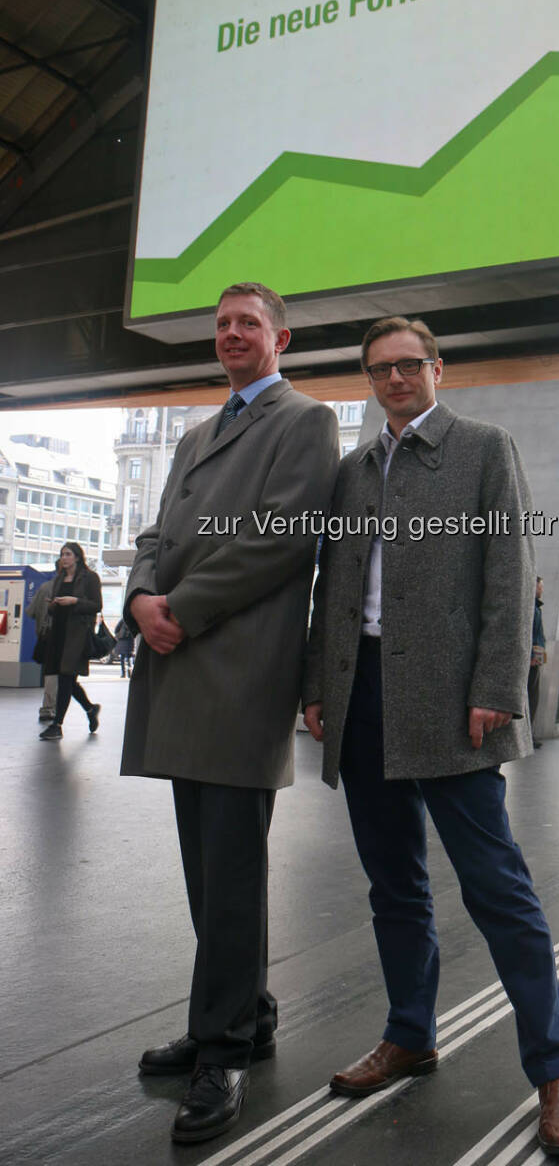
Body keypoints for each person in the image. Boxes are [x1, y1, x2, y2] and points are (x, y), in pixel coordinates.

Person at [302, 316, 559, 1159]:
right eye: (379, 370)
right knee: (393, 888)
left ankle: (557, 1070)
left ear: (438, 369)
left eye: (409, 365)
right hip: (362, 698)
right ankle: (409, 1034)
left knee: (498, 890)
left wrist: (499, 688)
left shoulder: (483, 448)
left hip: (451, 701)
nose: (395, 379)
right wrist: (319, 686)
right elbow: (334, 587)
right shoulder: (353, 471)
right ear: (368, 380)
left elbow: (511, 574)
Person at [121, 282, 339, 1146]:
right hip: (183, 662)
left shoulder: (305, 422)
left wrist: (182, 607)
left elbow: (285, 536)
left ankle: (222, 1054)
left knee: (232, 870)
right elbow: (154, 533)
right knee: (207, 870)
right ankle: (244, 1009)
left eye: (249, 323)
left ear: (280, 337)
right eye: (222, 325)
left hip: (237, 669)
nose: (232, 334)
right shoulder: (197, 434)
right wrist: (141, 595)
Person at [38, 543, 102, 740]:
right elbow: (51, 610)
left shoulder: (89, 577)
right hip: (58, 633)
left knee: (66, 678)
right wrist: (54, 605)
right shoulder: (59, 579)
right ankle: (90, 709)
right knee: (66, 679)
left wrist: (74, 601)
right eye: (62, 554)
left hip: (76, 635)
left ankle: (57, 724)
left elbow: (96, 605)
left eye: (68, 554)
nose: (64, 558)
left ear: (77, 557)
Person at [26, 576, 57, 722]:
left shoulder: (44, 587)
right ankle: (49, 708)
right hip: (57, 636)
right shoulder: (65, 588)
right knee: (57, 674)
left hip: (44, 635)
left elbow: (30, 612)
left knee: (50, 672)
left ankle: (49, 707)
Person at [528, 577, 546, 747]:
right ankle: (528, 735)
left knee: (533, 697)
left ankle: (529, 734)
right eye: (540, 587)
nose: (541, 590)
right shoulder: (531, 609)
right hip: (531, 659)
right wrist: (532, 655)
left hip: (535, 657)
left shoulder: (536, 608)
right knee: (530, 697)